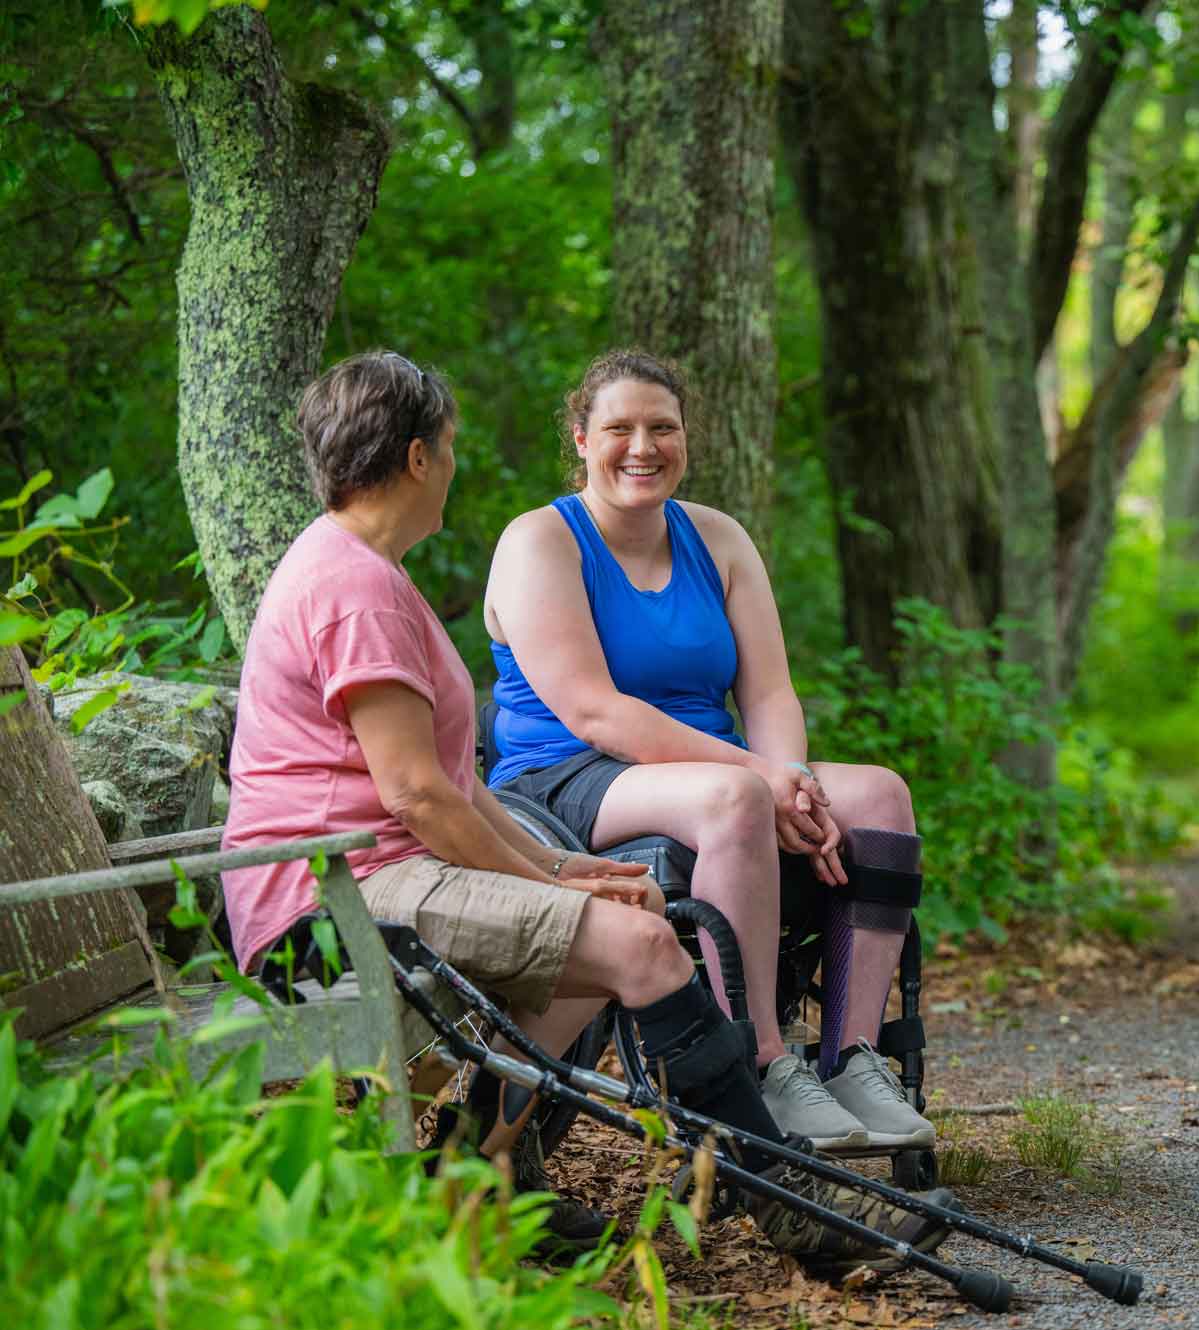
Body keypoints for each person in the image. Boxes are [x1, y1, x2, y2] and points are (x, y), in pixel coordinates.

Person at [221, 350, 950, 1267]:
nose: (452, 466)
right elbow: (414, 794)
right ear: (415, 458)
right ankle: (805, 1216)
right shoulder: (356, 590)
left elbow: (451, 784)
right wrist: (544, 880)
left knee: (629, 908)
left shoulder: (367, 570)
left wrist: (562, 871)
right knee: (639, 941)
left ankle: (480, 1171)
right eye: (446, 448)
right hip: (330, 902)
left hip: (370, 872)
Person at [481, 347, 934, 1155]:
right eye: (619, 427)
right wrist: (759, 779)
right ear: (581, 438)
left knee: (879, 797)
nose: (642, 447)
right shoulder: (539, 542)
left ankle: (851, 1058)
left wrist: (792, 780)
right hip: (568, 777)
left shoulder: (719, 539)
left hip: (715, 769)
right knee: (733, 800)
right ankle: (755, 1066)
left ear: (688, 437)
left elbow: (767, 695)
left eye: (663, 427)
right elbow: (596, 712)